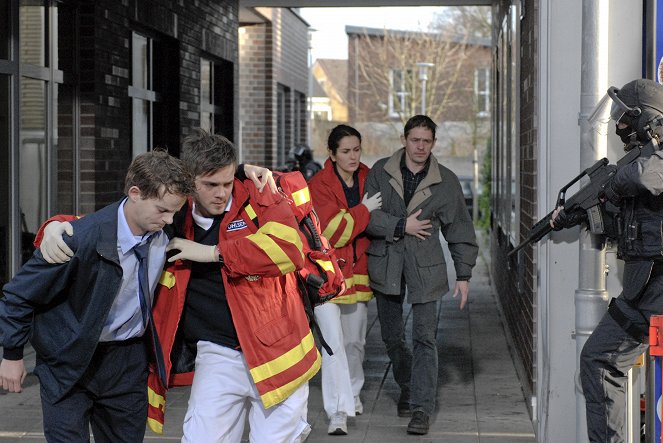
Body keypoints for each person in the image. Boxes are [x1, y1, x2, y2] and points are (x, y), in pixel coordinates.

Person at [40, 130, 317, 442]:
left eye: (227, 183)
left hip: (280, 351)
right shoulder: (172, 214)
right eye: (211, 185)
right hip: (217, 353)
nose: (222, 193)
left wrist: (214, 253)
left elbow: (288, 249)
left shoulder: (258, 195)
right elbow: (112, 222)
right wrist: (57, 227)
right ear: (189, 182)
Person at [0, 150, 195, 442]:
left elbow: (216, 180)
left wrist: (247, 169)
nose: (169, 219)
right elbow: (18, 295)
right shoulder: (78, 238)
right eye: (162, 210)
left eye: (174, 212)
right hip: (68, 361)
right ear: (135, 193)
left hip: (127, 361)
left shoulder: (165, 232)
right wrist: (12, 355)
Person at [551, 78, 663, 443]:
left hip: (655, 293)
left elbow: (643, 177)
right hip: (646, 293)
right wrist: (578, 213)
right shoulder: (643, 157)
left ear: (645, 118)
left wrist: (609, 186)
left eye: (626, 118)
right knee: (598, 361)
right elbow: (627, 218)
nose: (619, 127)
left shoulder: (653, 158)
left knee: (604, 362)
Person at [364, 114, 478, 436]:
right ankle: (408, 385)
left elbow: (459, 229)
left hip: (425, 268)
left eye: (427, 141)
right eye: (415, 140)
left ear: (434, 143)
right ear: (404, 140)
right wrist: (402, 226)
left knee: (425, 338)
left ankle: (421, 408)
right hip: (386, 264)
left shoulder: (447, 181)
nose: (420, 146)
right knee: (391, 336)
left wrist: (463, 273)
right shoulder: (380, 172)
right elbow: (367, 220)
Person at [307, 125, 382, 435]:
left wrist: (358, 217)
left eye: (357, 150)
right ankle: (337, 411)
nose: (353, 156)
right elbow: (334, 230)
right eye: (346, 151)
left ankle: (353, 391)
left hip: (358, 273)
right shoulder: (319, 184)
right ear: (332, 154)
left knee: (354, 342)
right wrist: (364, 210)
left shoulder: (369, 177)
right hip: (328, 276)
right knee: (333, 345)